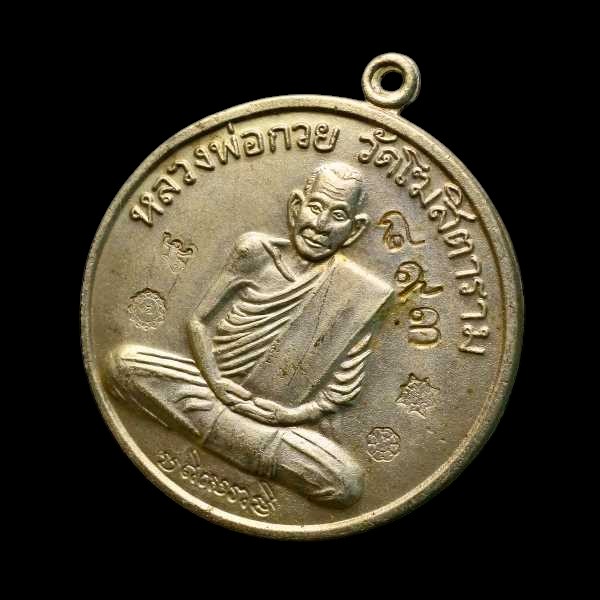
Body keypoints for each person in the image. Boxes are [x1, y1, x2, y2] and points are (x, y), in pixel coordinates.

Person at [106, 162, 394, 508]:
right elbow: (198, 322)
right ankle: (242, 447)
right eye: (315, 207)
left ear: (354, 229)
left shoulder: (359, 296)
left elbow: (337, 395)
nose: (320, 225)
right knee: (121, 367)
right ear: (296, 207)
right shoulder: (255, 252)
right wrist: (216, 382)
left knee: (347, 483)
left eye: (338, 215)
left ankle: (223, 436)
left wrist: (287, 416)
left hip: (274, 425)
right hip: (208, 390)